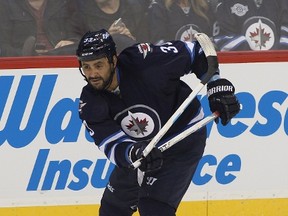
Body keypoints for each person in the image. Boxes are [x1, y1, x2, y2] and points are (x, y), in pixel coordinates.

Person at [76, 29, 240, 215]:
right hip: (142, 151)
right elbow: (112, 144)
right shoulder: (90, 102)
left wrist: (216, 84)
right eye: (86, 67)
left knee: (154, 209)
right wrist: (135, 152)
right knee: (112, 210)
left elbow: (196, 51)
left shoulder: (143, 61)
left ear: (113, 60)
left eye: (99, 65)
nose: (93, 74)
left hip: (182, 140)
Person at [0, 0, 78, 57]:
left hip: (60, 57)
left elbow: (79, 34)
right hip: (24, 61)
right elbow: (3, 46)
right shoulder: (6, 5)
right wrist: (24, 53)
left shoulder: (65, 3)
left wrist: (71, 42)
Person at [214, 0, 288, 51]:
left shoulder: (282, 3)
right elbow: (221, 38)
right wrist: (247, 52)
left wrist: (280, 56)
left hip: (278, 66)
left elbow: (286, 28)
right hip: (240, 66)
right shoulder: (227, 4)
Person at [70, 0, 149, 44]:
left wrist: (130, 39)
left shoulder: (135, 8)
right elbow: (77, 44)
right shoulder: (82, 14)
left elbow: (149, 45)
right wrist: (104, 38)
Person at [147, 0, 218, 44]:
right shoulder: (159, 7)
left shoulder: (204, 6)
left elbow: (211, 39)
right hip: (172, 62)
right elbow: (158, 42)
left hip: (201, 62)